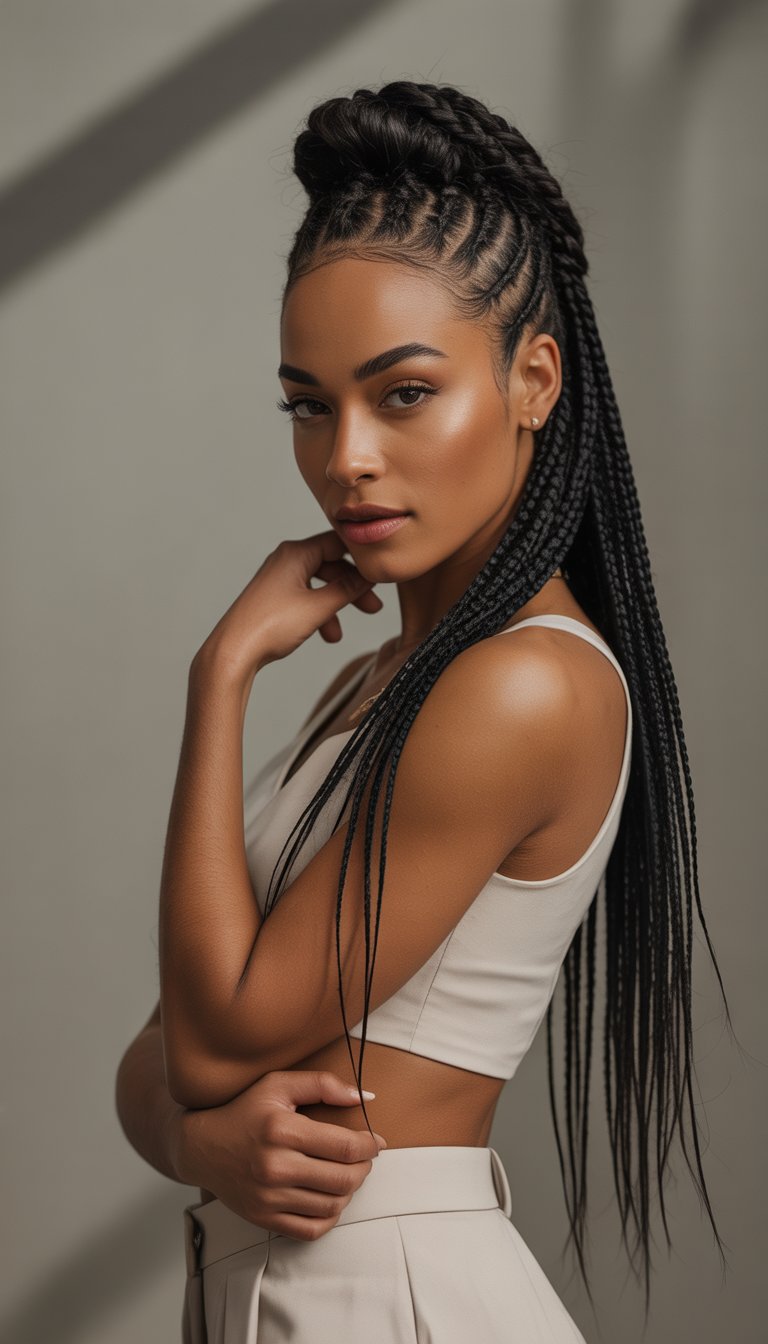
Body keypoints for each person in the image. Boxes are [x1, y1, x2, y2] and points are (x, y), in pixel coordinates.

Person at [115, 80, 730, 1342]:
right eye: (308, 403)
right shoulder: (374, 684)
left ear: (533, 381)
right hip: (286, 1290)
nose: (344, 456)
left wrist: (220, 675)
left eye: (402, 394)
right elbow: (157, 1063)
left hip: (387, 1296)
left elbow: (214, 1036)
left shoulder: (522, 685)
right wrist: (202, 1141)